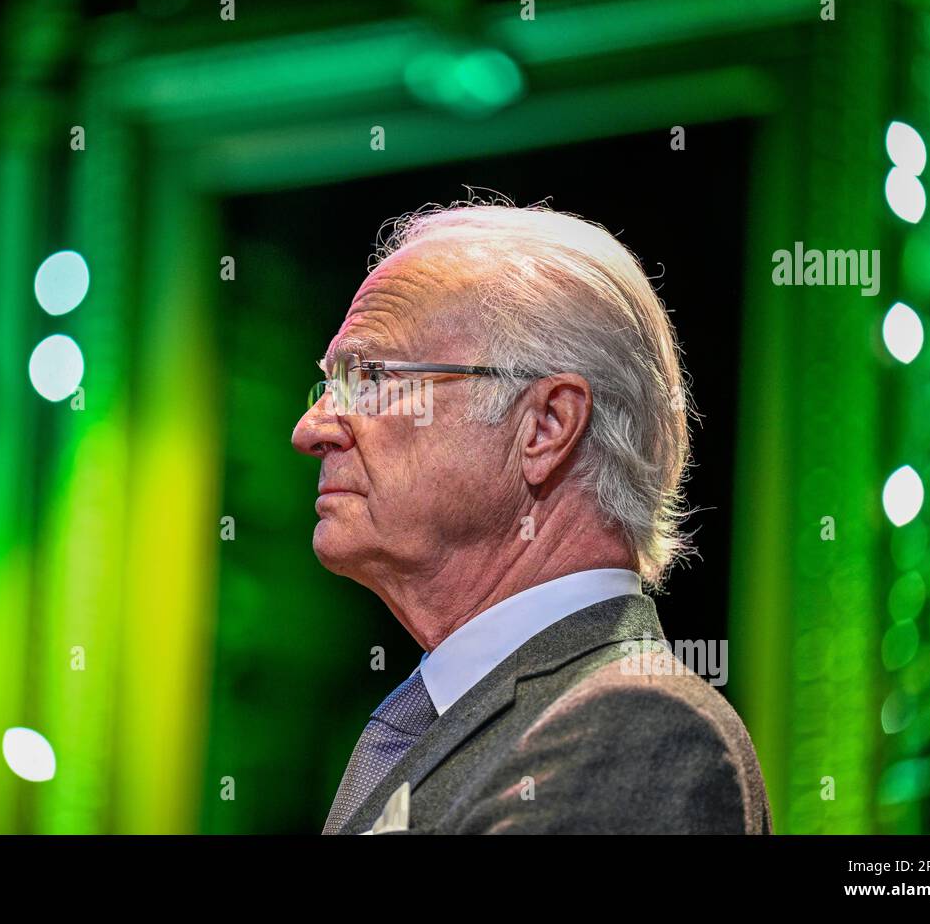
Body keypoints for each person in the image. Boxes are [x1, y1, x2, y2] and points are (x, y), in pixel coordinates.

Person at [292, 197, 772, 834]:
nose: (312, 427)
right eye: (329, 382)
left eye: (371, 376)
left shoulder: (632, 729)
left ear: (545, 427)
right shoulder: (501, 710)